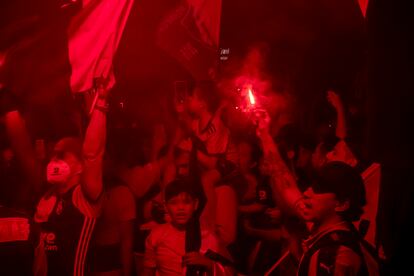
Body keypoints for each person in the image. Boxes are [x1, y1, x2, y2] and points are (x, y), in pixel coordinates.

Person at [255, 111, 379, 276]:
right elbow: (285, 182)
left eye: (319, 189)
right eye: (312, 186)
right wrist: (264, 134)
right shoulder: (324, 225)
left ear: (341, 204)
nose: (306, 192)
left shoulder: (335, 256)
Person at [33, 78, 109, 276]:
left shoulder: (84, 198)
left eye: (62, 155)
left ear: (80, 165)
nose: (55, 161)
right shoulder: (47, 198)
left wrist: (100, 106)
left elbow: (93, 154)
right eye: (54, 155)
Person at [142, 179, 234, 276]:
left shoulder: (208, 236)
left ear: (195, 204)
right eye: (174, 203)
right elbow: (148, 271)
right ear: (165, 206)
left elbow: (230, 271)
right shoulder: (157, 234)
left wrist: (208, 264)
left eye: (186, 202)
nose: (180, 208)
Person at [89, 174, 136, 276]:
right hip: (86, 257)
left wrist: (127, 271)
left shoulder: (121, 192)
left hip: (109, 257)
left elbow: (127, 239)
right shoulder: (79, 192)